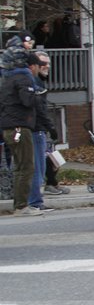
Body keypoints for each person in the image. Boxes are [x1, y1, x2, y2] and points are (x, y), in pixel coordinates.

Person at [1, 51, 43, 216]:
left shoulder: (7, 80)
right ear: (30, 66)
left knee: (18, 167)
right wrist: (37, 95)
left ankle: (19, 203)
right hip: (20, 126)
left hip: (8, 127)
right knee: (26, 166)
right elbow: (27, 100)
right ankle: (21, 206)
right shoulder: (24, 79)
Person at [27, 51, 59, 213]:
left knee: (40, 165)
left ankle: (36, 198)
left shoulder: (39, 81)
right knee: (37, 168)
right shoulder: (33, 83)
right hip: (35, 129)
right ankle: (35, 201)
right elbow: (39, 109)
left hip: (37, 129)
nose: (46, 66)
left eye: (47, 63)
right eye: (42, 64)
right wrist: (50, 127)